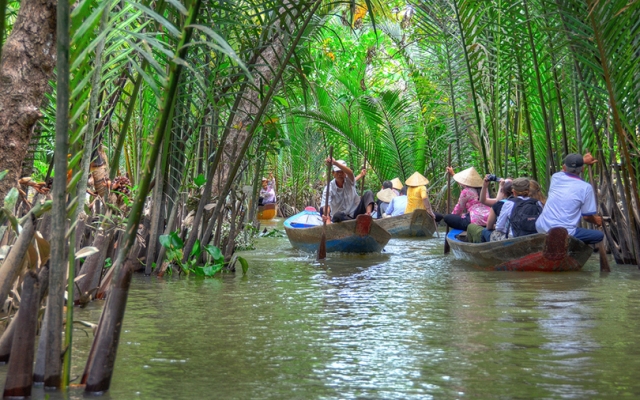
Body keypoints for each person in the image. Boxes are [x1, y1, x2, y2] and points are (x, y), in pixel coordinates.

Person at [535, 153, 603, 244]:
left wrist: (583, 160)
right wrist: (597, 221)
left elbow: (564, 170)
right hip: (564, 232)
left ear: (564, 167)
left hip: (541, 227)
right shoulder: (586, 187)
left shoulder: (556, 177)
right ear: (582, 169)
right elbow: (586, 216)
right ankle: (569, 248)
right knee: (599, 236)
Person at [320, 158, 375, 223]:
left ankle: (368, 215)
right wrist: (327, 216)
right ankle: (353, 223)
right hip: (341, 219)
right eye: (337, 172)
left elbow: (350, 173)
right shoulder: (329, 188)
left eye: (342, 172)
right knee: (337, 215)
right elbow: (326, 205)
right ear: (333, 173)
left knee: (369, 193)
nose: (340, 174)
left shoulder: (349, 181)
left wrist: (335, 163)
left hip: (355, 215)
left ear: (345, 173)